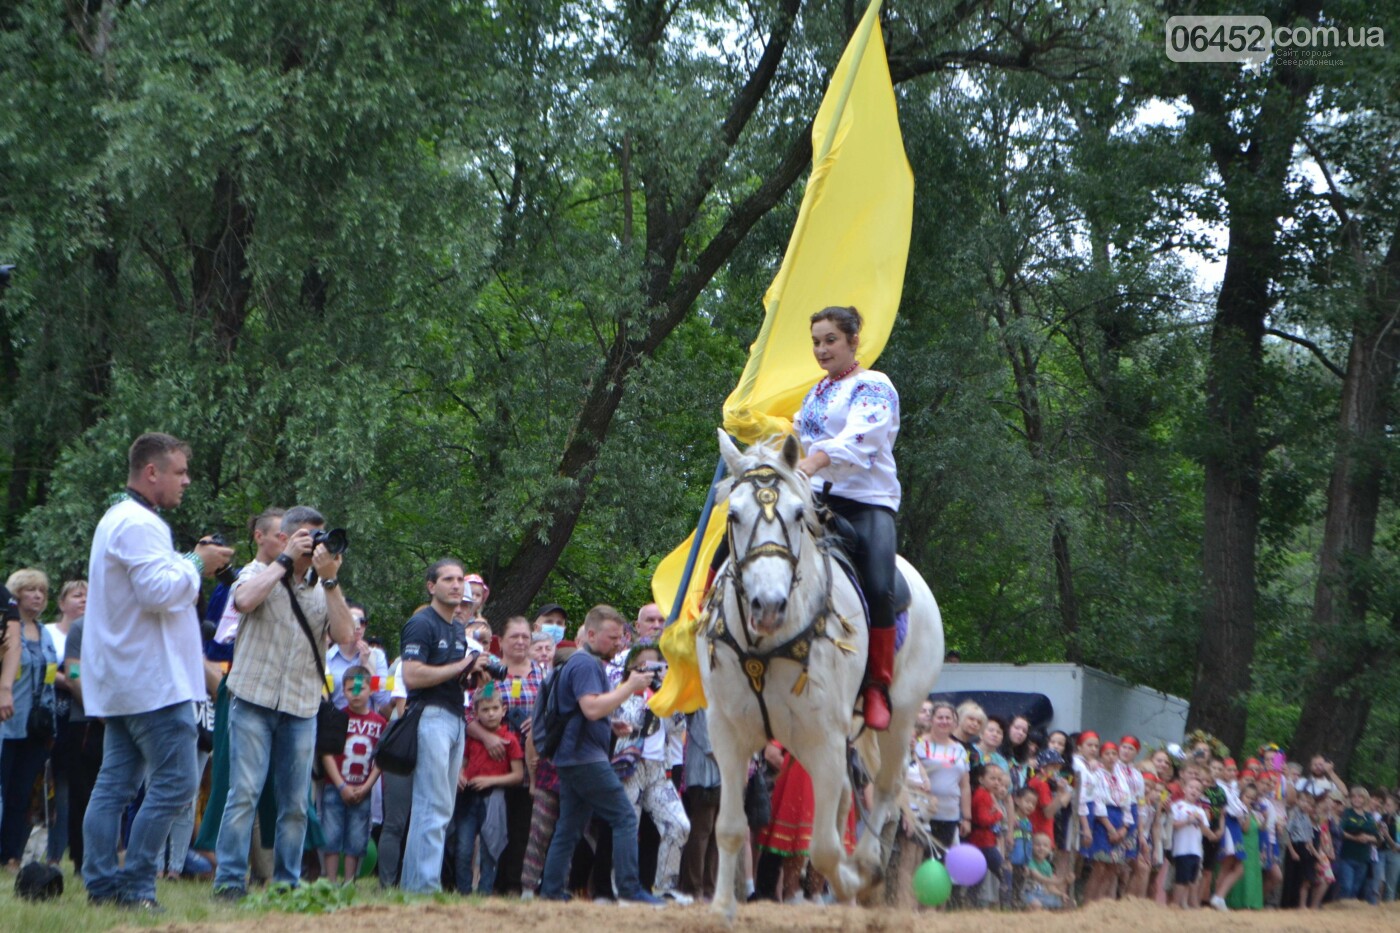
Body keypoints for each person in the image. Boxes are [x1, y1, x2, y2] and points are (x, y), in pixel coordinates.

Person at [81, 432, 234, 910]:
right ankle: (137, 889)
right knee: (177, 784)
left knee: (114, 786)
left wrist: (185, 563)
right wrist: (196, 561)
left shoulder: (118, 518)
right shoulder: (140, 523)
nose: (186, 480)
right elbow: (158, 592)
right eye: (180, 471)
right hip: (152, 682)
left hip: (125, 678)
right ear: (153, 472)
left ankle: (102, 886)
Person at [212, 505, 355, 899]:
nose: (316, 546)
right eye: (308, 537)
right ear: (285, 537)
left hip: (301, 705)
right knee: (243, 793)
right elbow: (243, 602)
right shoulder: (258, 571)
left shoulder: (323, 585)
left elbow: (345, 637)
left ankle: (287, 883)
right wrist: (285, 560)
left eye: (319, 537)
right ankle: (228, 881)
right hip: (253, 699)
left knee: (295, 803)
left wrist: (331, 581)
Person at [794, 305, 901, 730]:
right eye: (817, 342)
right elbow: (797, 436)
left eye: (830, 340)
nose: (821, 349)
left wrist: (813, 461)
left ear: (854, 340)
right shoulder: (815, 393)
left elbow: (860, 442)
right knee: (753, 537)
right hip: (817, 499)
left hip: (866, 502)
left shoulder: (874, 386)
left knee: (878, 585)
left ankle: (877, 683)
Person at [538, 605, 659, 905]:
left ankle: (551, 892)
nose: (618, 643)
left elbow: (586, 711)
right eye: (612, 637)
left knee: (568, 827)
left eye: (620, 638)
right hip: (584, 758)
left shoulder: (581, 663)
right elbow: (591, 706)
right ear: (590, 634)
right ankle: (630, 888)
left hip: (572, 756)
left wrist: (609, 723)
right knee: (624, 817)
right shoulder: (585, 665)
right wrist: (630, 686)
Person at [398, 559, 490, 894]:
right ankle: (424, 887)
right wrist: (462, 664)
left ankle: (415, 887)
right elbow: (411, 676)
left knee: (440, 806)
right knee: (432, 805)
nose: (456, 585)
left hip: (454, 717)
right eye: (447, 579)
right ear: (431, 586)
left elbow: (453, 673)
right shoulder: (421, 623)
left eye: (459, 580)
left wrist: (473, 674)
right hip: (430, 716)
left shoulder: (455, 626)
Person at [613, 643, 691, 903]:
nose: (651, 674)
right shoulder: (620, 693)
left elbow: (677, 726)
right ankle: (621, 887)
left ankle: (663, 886)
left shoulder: (662, 694)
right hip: (629, 768)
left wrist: (667, 692)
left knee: (679, 824)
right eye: (644, 668)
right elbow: (630, 724)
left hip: (658, 769)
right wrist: (640, 690)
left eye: (656, 668)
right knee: (627, 828)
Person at [0, 568, 57, 870]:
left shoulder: (45, 632)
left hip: (36, 727)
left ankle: (11, 855)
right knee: (2, 789)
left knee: (22, 794)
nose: (37, 596)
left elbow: (50, 677)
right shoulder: (7, 629)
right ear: (16, 594)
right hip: (7, 722)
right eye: (30, 590)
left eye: (42, 591)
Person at [453, 682, 524, 895]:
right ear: (475, 713)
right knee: (463, 848)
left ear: (504, 710)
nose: (491, 714)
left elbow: (518, 775)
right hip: (468, 798)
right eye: (485, 710)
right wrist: (459, 776)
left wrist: (490, 781)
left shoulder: (510, 740)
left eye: (495, 709)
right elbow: (463, 765)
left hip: (494, 799)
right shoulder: (472, 739)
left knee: (489, 850)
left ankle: (485, 893)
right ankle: (463, 891)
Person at [319, 665, 385, 883]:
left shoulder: (379, 723)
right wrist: (340, 785)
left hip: (362, 789)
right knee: (331, 834)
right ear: (343, 691)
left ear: (371, 690)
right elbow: (326, 753)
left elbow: (380, 760)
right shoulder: (336, 718)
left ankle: (349, 882)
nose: (355, 694)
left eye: (360, 689)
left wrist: (366, 787)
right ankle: (330, 880)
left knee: (356, 838)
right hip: (335, 786)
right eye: (350, 690)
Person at [44, 579, 85, 867]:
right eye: (77, 595)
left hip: (81, 718)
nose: (84, 600)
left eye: (88, 596)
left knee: (79, 787)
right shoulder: (49, 633)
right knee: (57, 789)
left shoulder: (97, 632)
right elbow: (41, 672)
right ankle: (54, 853)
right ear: (61, 603)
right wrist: (71, 682)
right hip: (52, 717)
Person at [327, 602, 390, 714]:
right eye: (353, 621)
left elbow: (383, 699)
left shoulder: (377, 655)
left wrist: (366, 664)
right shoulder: (328, 657)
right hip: (334, 724)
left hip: (365, 726)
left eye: (363, 622)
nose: (358, 627)